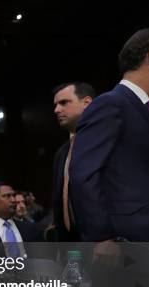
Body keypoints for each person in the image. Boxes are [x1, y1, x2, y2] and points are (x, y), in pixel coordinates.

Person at [71, 28, 149, 248]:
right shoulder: (111, 103)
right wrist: (102, 236)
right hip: (128, 242)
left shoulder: (143, 107)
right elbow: (83, 174)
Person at [51, 82, 96, 241]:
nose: (57, 110)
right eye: (56, 105)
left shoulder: (105, 143)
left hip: (105, 242)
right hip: (70, 243)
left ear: (87, 103)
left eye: (64, 103)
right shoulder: (61, 153)